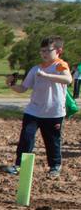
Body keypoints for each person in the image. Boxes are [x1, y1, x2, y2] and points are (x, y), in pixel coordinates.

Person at [6, 36, 72, 180]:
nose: (44, 54)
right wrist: (11, 85)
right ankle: (19, 165)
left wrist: (47, 75)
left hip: (54, 112)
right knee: (26, 138)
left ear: (59, 50)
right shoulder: (35, 69)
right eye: (42, 51)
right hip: (33, 111)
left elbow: (68, 79)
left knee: (52, 141)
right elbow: (23, 88)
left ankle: (54, 166)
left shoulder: (60, 65)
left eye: (48, 50)